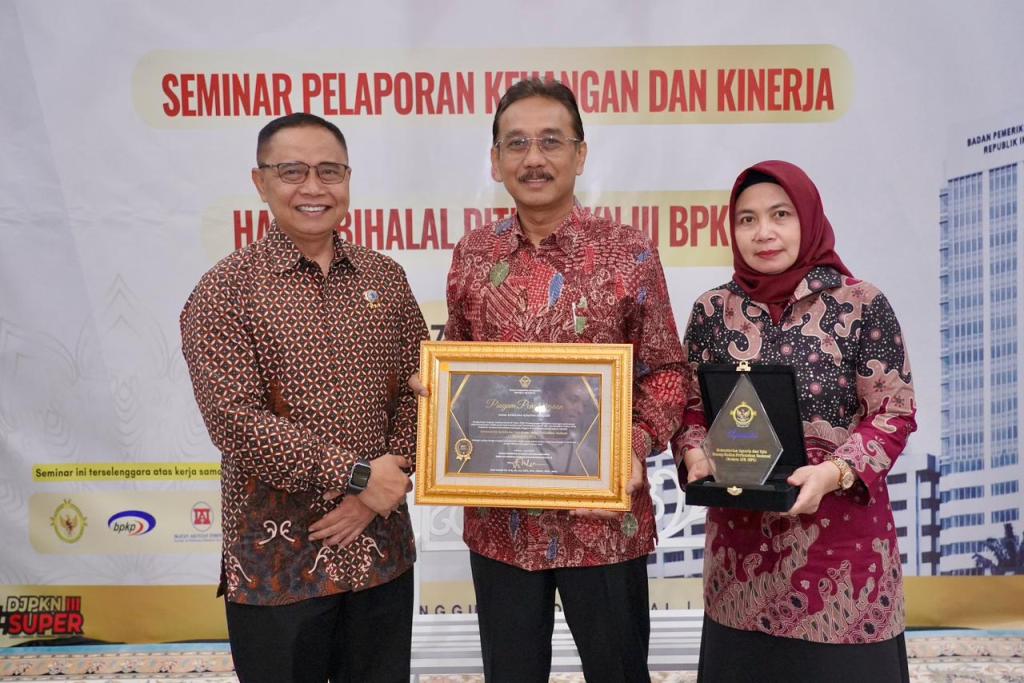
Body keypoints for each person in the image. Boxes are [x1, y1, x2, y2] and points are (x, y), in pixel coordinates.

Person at [420, 78, 687, 682]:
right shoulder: (472, 254)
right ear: (495, 161)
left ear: (580, 154)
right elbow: (460, 367)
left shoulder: (629, 252)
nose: (533, 158)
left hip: (604, 522)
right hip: (501, 523)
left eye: (550, 141)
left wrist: (631, 445)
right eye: (516, 144)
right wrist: (439, 400)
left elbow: (668, 371)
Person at [180, 112, 427, 683]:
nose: (313, 187)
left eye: (329, 171)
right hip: (279, 567)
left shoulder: (385, 278)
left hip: (380, 555)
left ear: (348, 179)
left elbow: (423, 389)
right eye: (292, 171)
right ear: (260, 181)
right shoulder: (224, 291)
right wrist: (358, 477)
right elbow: (234, 420)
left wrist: (376, 493)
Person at [672, 160, 916, 682]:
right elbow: (691, 406)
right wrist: (694, 450)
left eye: (780, 214)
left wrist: (835, 472)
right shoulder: (712, 311)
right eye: (747, 219)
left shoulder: (860, 304)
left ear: (808, 218)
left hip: (843, 560)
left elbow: (893, 411)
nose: (763, 232)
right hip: (741, 565)